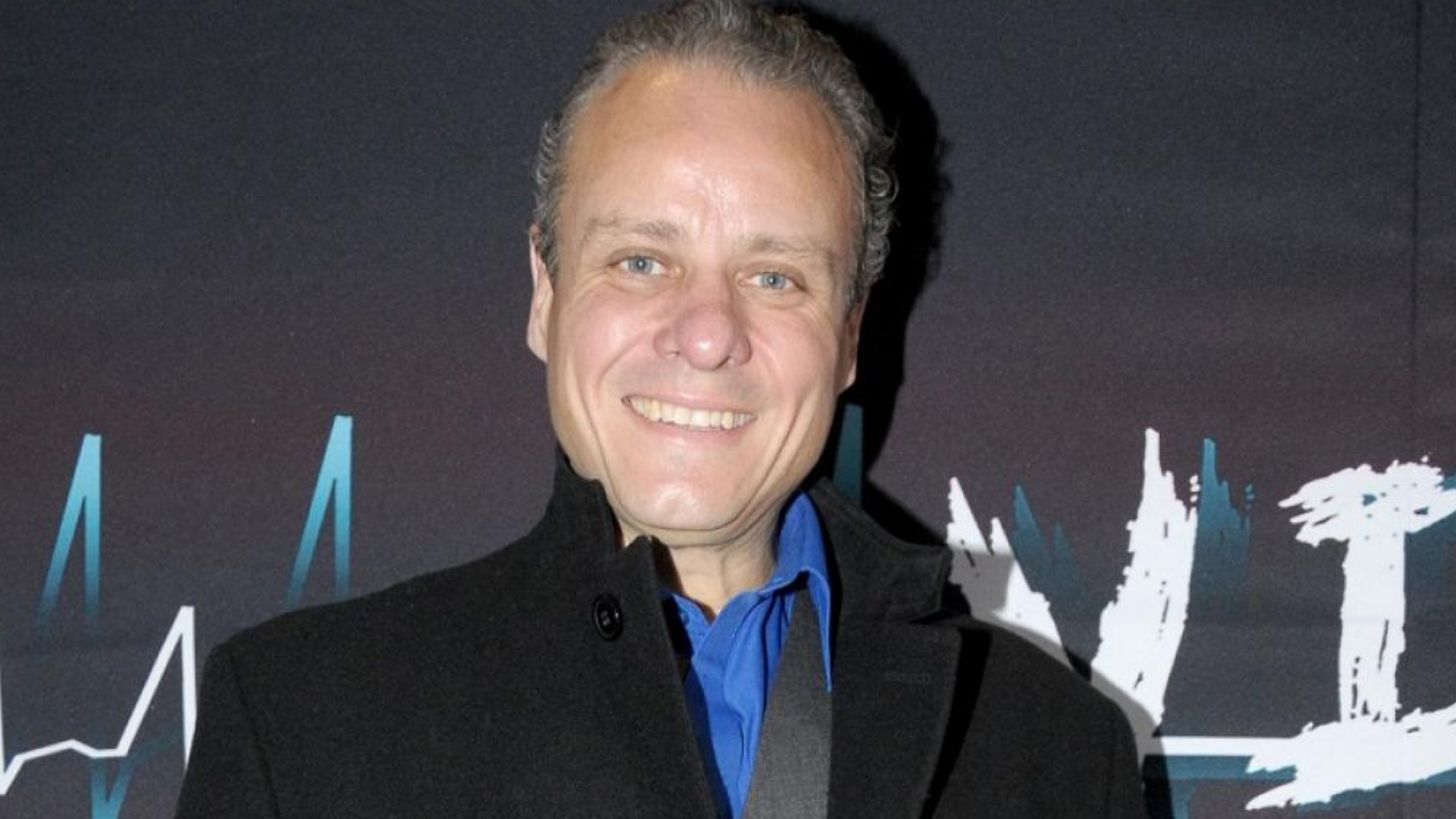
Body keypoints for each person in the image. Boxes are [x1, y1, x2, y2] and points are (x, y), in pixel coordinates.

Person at [176, 1, 1147, 816]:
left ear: (849, 336)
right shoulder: (299, 727)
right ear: (545, 295)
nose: (707, 333)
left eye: (775, 276)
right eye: (641, 261)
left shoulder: (1053, 751)